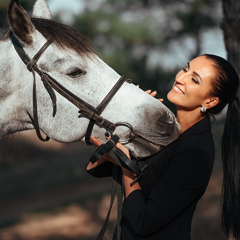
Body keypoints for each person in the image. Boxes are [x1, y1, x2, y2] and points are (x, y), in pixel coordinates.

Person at [86, 54, 240, 240]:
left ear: (210, 102)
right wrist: (132, 118)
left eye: (194, 79)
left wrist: (126, 165)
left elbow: (143, 221)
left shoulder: (196, 153)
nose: (180, 78)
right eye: (185, 68)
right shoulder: (163, 129)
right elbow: (94, 168)